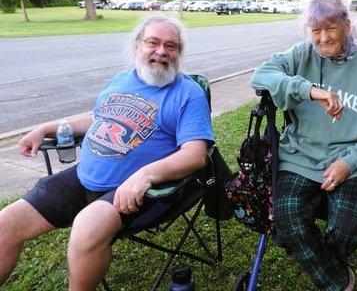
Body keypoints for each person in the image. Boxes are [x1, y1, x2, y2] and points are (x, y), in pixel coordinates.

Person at [0, 16, 214, 290]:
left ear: (179, 54)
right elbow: (97, 118)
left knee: (87, 226)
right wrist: (47, 127)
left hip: (138, 192)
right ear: (138, 46)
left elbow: (195, 154)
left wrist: (144, 175)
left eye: (171, 46)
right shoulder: (121, 80)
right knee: (6, 222)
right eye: (153, 42)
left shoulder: (188, 94)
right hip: (83, 176)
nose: (161, 51)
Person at [251, 0, 357, 291]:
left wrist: (349, 163)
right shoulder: (302, 55)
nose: (324, 38)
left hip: (353, 161)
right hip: (301, 157)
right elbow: (261, 75)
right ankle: (340, 282)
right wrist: (309, 90)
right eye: (316, 30)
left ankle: (323, 266)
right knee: (286, 215)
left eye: (331, 28)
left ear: (347, 26)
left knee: (349, 225)